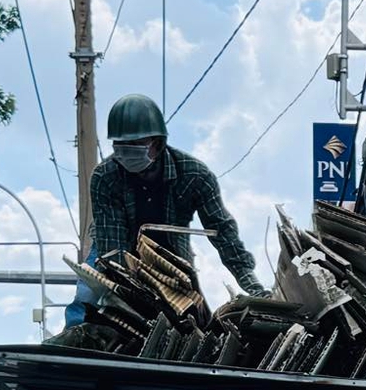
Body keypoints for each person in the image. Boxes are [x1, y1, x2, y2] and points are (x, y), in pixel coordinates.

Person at [78, 94, 267, 311]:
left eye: (135, 144)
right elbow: (113, 249)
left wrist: (252, 287)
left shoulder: (195, 175)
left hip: (172, 258)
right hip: (116, 250)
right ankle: (73, 339)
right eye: (120, 145)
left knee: (191, 314)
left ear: (157, 144)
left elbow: (223, 233)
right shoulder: (105, 177)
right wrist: (126, 297)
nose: (126, 152)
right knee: (87, 298)